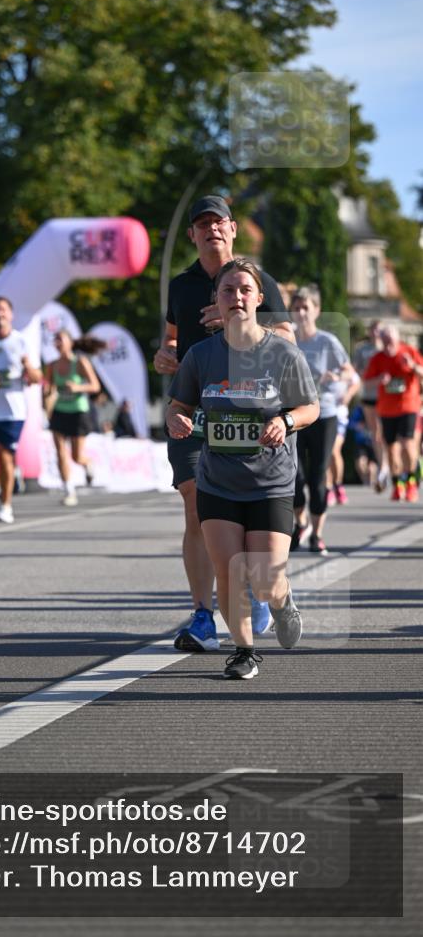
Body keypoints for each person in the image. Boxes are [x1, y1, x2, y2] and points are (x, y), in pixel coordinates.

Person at [166, 258, 319, 679]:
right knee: (229, 570)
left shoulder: (282, 353)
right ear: (216, 299)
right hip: (219, 482)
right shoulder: (201, 355)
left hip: (270, 482)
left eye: (244, 290)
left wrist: (285, 421)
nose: (236, 297)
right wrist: (176, 420)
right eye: (227, 290)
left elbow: (310, 407)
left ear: (258, 298)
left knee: (266, 579)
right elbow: (179, 406)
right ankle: (244, 650)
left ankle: (282, 601)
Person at [153, 195, 294, 649]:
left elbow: (289, 339)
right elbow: (171, 338)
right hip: (196, 412)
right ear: (192, 234)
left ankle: (254, 593)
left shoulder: (255, 279)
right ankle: (201, 615)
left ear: (233, 229)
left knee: (247, 523)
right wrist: (164, 355)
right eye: (202, 223)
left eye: (219, 222)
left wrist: (240, 322)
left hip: (250, 414)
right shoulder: (181, 285)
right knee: (194, 505)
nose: (211, 229)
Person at [289, 285, 354, 555]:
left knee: (317, 477)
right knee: (294, 477)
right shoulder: (286, 338)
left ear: (316, 310)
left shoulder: (327, 342)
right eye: (297, 308)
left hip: (324, 413)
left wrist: (337, 377)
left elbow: (349, 371)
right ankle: (300, 523)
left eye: (307, 308)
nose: (302, 313)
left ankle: (317, 533)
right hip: (294, 414)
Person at [0, 296, 41, 524]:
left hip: (13, 412)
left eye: (3, 310)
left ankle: (6, 505)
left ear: (10, 314)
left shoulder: (21, 341)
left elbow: (37, 377)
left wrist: (28, 368)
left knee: (5, 459)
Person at [363, 324, 423, 503]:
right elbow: (366, 383)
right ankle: (398, 485)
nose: (388, 341)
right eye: (385, 338)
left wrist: (412, 366)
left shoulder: (409, 351)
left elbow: (422, 372)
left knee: (407, 445)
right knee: (391, 450)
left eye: (391, 337)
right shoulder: (377, 359)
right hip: (387, 410)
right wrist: (380, 380)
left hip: (408, 406)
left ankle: (411, 483)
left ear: (397, 338)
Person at [44, 330, 103, 506]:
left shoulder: (80, 362)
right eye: (55, 340)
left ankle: (87, 464)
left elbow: (95, 386)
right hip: (59, 411)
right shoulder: (52, 365)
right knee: (60, 452)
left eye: (60, 339)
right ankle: (69, 490)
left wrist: (77, 387)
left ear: (70, 342)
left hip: (78, 412)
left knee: (76, 456)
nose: (57, 343)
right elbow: (49, 389)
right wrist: (46, 399)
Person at [352, 320, 389, 492]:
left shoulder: (387, 349)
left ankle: (387, 465)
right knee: (376, 433)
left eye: (379, 330)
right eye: (373, 329)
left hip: (387, 396)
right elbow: (355, 370)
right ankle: (383, 466)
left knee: (385, 433)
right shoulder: (363, 350)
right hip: (368, 395)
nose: (376, 333)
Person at [326, 368, 361, 506]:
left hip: (339, 415)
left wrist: (348, 395)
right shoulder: (314, 359)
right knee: (325, 453)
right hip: (322, 415)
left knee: (334, 450)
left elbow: (356, 381)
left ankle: (338, 485)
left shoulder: (342, 364)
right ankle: (328, 488)